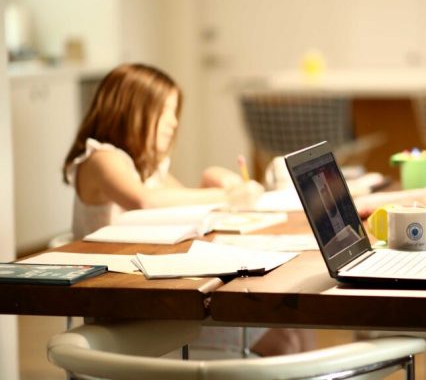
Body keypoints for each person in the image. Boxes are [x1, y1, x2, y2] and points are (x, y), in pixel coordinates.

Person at [62, 62, 314, 357]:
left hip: (154, 295)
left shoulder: (147, 168)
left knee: (295, 326)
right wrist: (224, 195)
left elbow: (179, 198)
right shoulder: (103, 158)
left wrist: (211, 182)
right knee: (284, 341)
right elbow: (144, 201)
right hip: (127, 311)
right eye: (165, 112)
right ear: (132, 110)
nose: (172, 123)